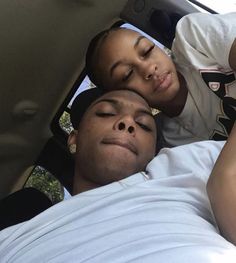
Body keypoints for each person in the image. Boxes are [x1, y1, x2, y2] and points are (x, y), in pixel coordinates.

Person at [0, 88, 236, 262]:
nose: (126, 122)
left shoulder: (185, 165)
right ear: (73, 140)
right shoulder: (13, 238)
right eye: (106, 113)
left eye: (144, 124)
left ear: (153, 152)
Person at [85, 12, 236, 147]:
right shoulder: (170, 143)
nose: (150, 69)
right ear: (119, 96)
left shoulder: (191, 37)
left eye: (147, 50)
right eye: (127, 74)